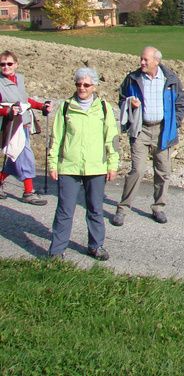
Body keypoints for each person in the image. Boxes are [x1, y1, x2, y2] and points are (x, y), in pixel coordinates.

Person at [47, 67, 119, 260]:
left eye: (86, 85)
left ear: (94, 86)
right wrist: (52, 163)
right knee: (65, 210)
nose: (82, 88)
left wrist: (113, 164)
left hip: (96, 166)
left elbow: (111, 138)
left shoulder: (104, 108)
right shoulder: (65, 107)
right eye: (78, 84)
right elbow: (56, 138)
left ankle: (96, 246)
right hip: (69, 166)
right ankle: (56, 250)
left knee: (95, 208)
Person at [112, 46, 184, 226]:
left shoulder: (171, 80)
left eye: (145, 60)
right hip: (140, 130)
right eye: (141, 59)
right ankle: (123, 209)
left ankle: (158, 208)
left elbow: (181, 102)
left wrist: (174, 122)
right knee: (137, 170)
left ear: (156, 61)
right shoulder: (133, 79)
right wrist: (130, 103)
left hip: (163, 130)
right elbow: (122, 98)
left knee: (163, 171)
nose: (142, 62)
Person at [0, 50, 53, 205]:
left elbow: (24, 99)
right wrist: (7, 111)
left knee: (14, 156)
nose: (6, 67)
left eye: (9, 63)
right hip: (10, 125)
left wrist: (41, 106)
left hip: (23, 123)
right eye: (2, 64)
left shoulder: (19, 79)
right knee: (25, 157)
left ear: (16, 64)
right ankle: (28, 192)